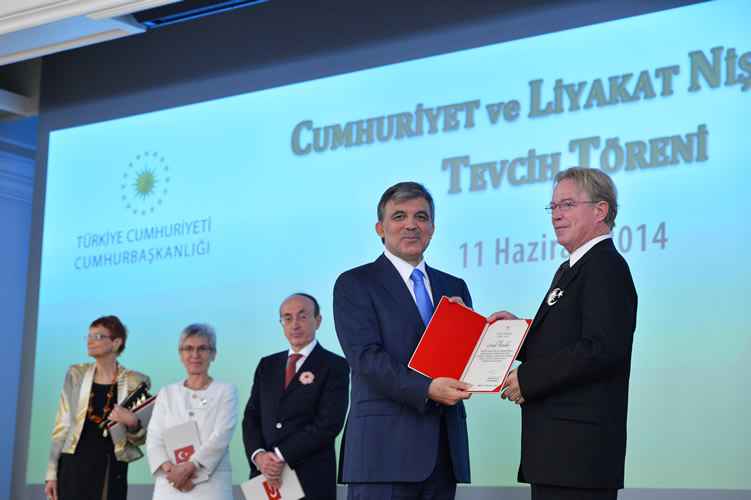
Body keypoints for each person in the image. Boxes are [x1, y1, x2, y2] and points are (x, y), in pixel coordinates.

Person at [490, 167, 638, 500]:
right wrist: (517, 335)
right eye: (553, 207)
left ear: (600, 211)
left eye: (567, 205)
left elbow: (601, 349)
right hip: (557, 455)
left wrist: (528, 379)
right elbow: (567, 339)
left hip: (580, 458)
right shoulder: (571, 268)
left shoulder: (606, 266)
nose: (556, 215)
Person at [333, 181, 473, 500]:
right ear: (380, 228)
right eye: (399, 216)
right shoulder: (355, 283)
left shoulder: (455, 287)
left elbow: (464, 361)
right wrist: (426, 388)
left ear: (432, 229)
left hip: (442, 454)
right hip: (382, 454)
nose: (411, 224)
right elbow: (366, 358)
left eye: (421, 217)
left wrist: (484, 333)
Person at [242, 293, 350, 499]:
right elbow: (251, 418)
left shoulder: (334, 365)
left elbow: (329, 423)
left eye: (302, 316)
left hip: (310, 479)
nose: (295, 324)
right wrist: (260, 456)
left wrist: (280, 455)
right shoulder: (267, 365)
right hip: (265, 478)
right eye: (287, 318)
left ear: (317, 321)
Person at [44, 315, 150, 500]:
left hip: (110, 464)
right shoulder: (76, 374)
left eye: (98, 336)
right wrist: (51, 473)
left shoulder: (136, 381)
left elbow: (140, 438)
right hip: (73, 464)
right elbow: (62, 425)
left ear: (116, 343)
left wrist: (132, 423)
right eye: (89, 336)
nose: (90, 341)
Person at [146, 323, 238, 499]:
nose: (195, 355)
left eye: (202, 348)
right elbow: (154, 437)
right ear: (181, 354)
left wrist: (191, 466)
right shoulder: (167, 393)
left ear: (213, 354)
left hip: (211, 486)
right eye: (188, 348)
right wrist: (172, 471)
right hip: (171, 484)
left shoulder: (226, 391)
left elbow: (221, 435)